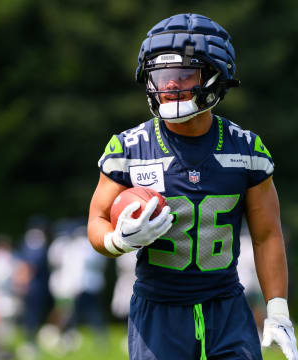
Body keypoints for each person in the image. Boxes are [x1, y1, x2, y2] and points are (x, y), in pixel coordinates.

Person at [87, 13, 298, 360]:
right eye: (160, 76)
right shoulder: (128, 147)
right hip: (159, 309)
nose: (169, 85)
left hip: (226, 305)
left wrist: (277, 310)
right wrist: (117, 240)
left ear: (216, 75)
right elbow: (96, 220)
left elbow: (267, 234)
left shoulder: (246, 148)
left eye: (182, 75)